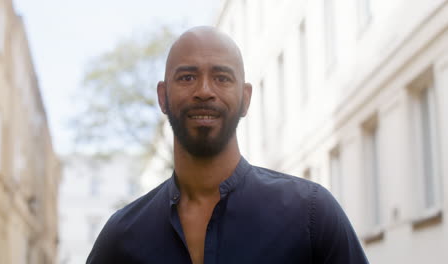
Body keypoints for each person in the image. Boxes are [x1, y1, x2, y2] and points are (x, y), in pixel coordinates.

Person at [86, 26, 369, 264]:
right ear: (163, 97)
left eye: (222, 78)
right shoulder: (121, 237)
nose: (204, 91)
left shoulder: (312, 214)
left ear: (245, 98)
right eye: (187, 77)